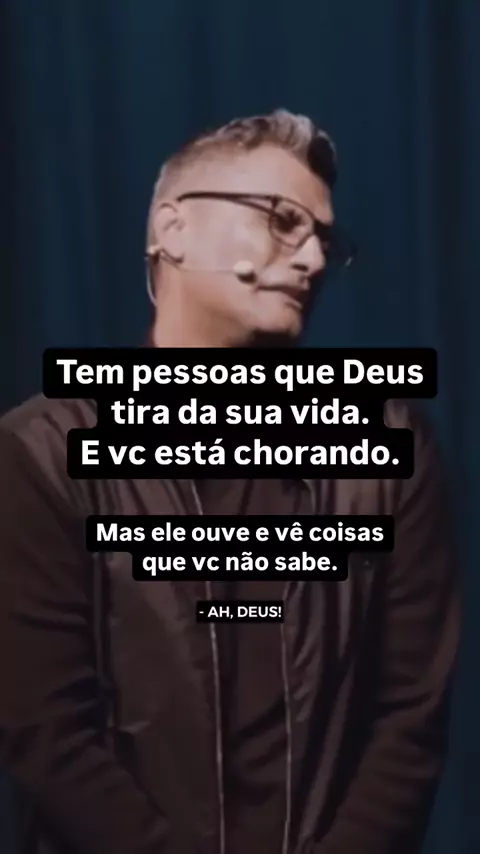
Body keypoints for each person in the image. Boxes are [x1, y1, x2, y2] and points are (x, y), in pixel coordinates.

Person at [0, 109, 459, 854]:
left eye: (324, 239)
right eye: (283, 221)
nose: (311, 258)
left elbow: (410, 719)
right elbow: (45, 731)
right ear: (172, 230)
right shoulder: (43, 452)